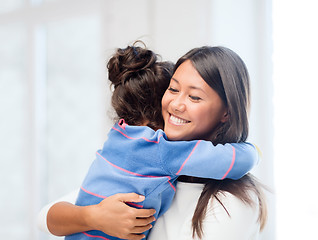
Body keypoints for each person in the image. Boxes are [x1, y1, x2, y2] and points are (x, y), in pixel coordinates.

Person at [38, 45, 266, 240]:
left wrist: (90, 218)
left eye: (194, 96)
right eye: (173, 89)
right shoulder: (155, 157)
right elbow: (46, 216)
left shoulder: (231, 200)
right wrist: (94, 216)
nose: (176, 104)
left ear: (227, 112)